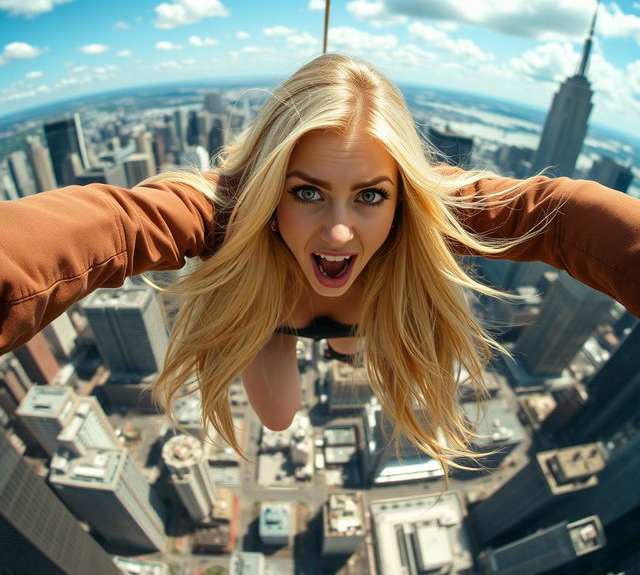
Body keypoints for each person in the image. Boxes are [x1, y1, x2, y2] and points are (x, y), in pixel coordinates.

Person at [2, 54, 639, 479]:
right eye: (305, 191)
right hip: (272, 311)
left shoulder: (431, 210)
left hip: (353, 302)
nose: (338, 228)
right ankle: (309, 330)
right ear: (270, 183)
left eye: (370, 195)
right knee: (278, 415)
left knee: (347, 337)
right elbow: (109, 225)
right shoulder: (222, 208)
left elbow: (563, 214)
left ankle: (339, 339)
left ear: (400, 191)